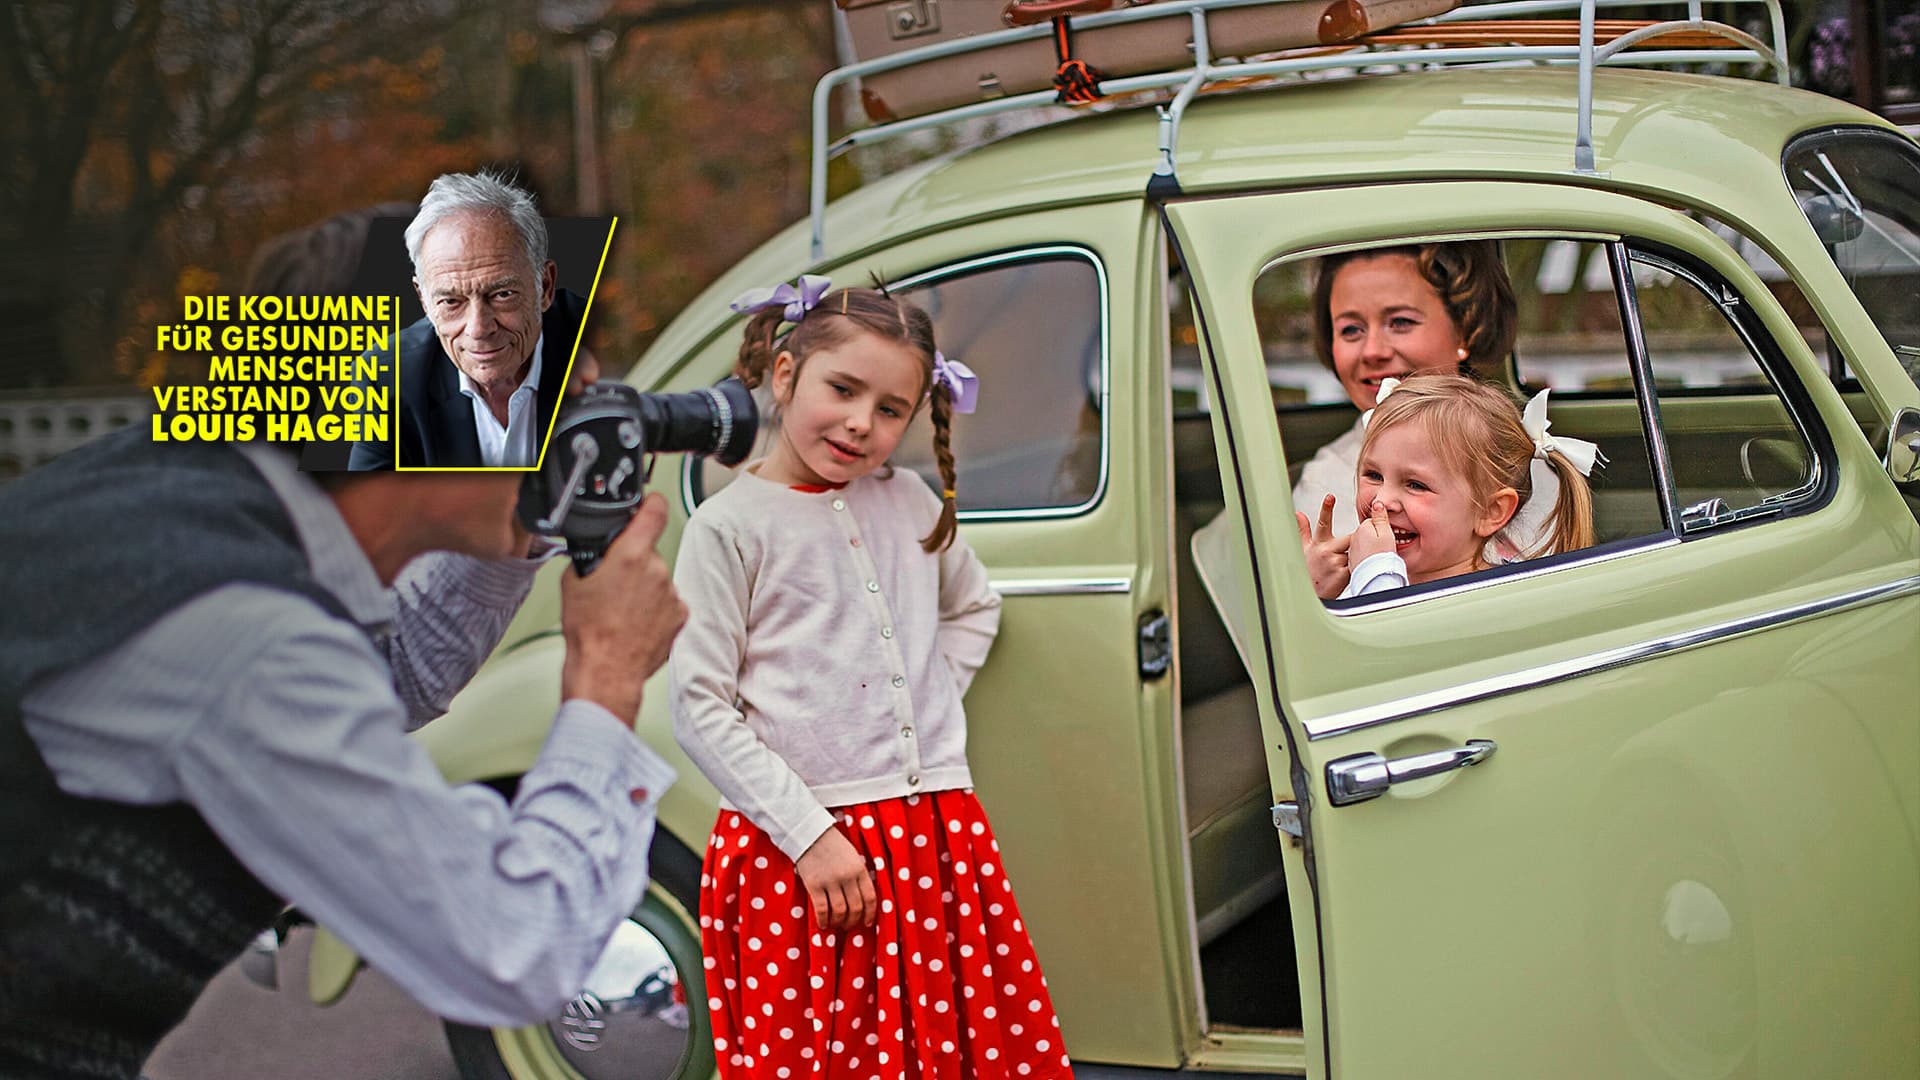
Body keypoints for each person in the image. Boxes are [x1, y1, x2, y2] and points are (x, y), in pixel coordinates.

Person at [1, 403, 687, 1078]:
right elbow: (515, 947)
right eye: (556, 397)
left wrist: (520, 533)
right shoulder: (249, 635)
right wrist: (608, 671)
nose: (573, 433)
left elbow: (383, 684)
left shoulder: (209, 481)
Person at [669, 279, 1072, 1080]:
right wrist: (812, 838)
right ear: (785, 376)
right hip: (802, 851)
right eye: (843, 390)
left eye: (892, 409)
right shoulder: (729, 528)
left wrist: (922, 699)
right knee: (832, 1055)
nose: (863, 423)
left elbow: (973, 607)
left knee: (948, 1049)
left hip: (930, 832)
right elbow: (697, 708)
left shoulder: (909, 501)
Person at [349, 170, 585, 470]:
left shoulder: (594, 340)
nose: (478, 328)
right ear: (424, 300)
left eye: (502, 294)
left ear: (545, 287)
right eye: (451, 302)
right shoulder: (386, 376)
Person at [1340, 372, 1598, 598]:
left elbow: (1391, 644)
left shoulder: (1496, 599)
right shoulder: (1361, 577)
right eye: (1373, 475)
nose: (1381, 501)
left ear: (1490, 511)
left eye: (1416, 485)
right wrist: (1318, 589)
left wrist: (1374, 574)